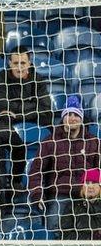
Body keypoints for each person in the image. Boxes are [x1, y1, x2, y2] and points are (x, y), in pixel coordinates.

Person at [28, 95, 101, 235]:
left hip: (86, 195)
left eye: (76, 114)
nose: (72, 118)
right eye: (68, 114)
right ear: (63, 117)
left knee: (90, 233)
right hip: (59, 195)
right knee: (56, 234)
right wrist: (37, 194)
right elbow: (36, 170)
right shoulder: (50, 141)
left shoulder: (94, 142)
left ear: (81, 118)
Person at [0, 46, 52, 127]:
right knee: (3, 118)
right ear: (10, 63)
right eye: (16, 63)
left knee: (46, 118)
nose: (19, 67)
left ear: (29, 63)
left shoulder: (37, 79)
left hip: (26, 117)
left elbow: (45, 107)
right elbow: (1, 106)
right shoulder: (1, 78)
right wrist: (33, 105)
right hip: (10, 120)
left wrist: (18, 116)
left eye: (23, 63)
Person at [60, 168, 101, 240]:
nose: (90, 186)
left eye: (94, 182)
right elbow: (65, 235)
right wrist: (93, 237)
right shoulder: (72, 206)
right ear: (82, 187)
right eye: (87, 183)